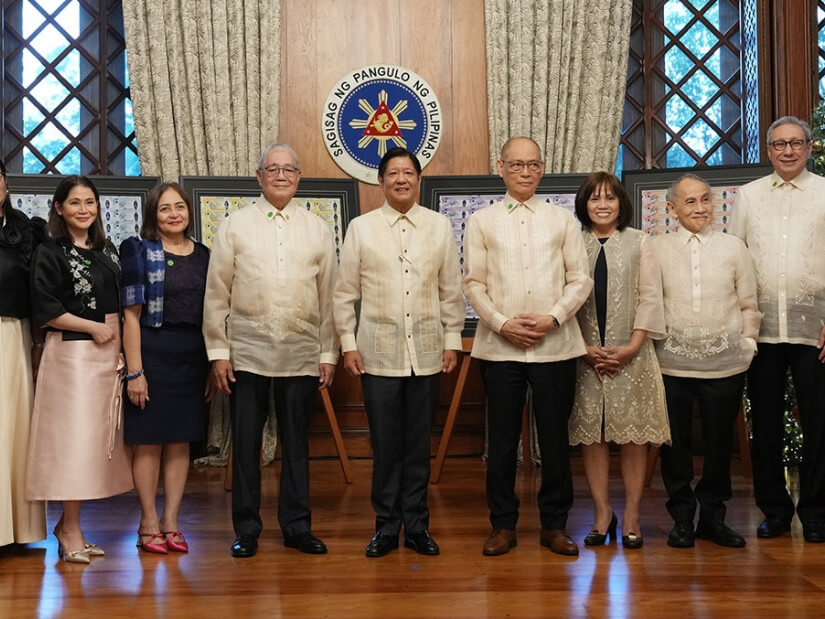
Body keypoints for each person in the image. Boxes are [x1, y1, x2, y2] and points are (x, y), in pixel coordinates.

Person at [204, 142, 338, 558]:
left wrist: (328, 353)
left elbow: (329, 296)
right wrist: (218, 352)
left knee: (297, 446)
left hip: (301, 353)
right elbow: (216, 295)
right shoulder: (234, 225)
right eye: (272, 169)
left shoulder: (318, 228)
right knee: (245, 445)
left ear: (299, 177)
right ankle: (246, 529)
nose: (281, 176)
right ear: (259, 176)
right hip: (247, 353)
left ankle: (297, 527)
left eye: (289, 170)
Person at [463, 137, 592, 557]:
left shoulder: (563, 221)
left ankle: (554, 525)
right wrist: (502, 324)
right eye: (516, 164)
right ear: (499, 166)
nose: (524, 172)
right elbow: (474, 284)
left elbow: (580, 280)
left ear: (542, 168)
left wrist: (552, 317)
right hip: (500, 350)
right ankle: (502, 525)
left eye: (532, 165)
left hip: (556, 346)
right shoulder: (482, 221)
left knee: (555, 440)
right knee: (501, 441)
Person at [334, 147, 464, 558]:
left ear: (419, 180)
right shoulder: (361, 227)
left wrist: (452, 340)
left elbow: (451, 290)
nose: (401, 180)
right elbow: (343, 295)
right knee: (386, 444)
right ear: (381, 181)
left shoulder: (439, 227)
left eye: (409, 173)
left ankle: (418, 526)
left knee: (417, 443)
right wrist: (349, 344)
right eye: (393, 174)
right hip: (377, 352)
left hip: (427, 350)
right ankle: (387, 527)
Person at [26, 176, 133, 563]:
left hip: (108, 355)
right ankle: (68, 526)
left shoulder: (108, 250)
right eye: (74, 203)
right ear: (59, 208)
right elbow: (47, 309)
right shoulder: (49, 252)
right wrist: (93, 327)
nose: (84, 209)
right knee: (71, 445)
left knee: (92, 445)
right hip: (72, 357)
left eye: (90, 202)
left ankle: (71, 525)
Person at [651, 174, 760, 549]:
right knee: (675, 445)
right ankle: (682, 519)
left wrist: (747, 346)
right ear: (672, 209)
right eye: (690, 202)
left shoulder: (734, 247)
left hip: (726, 364)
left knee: (718, 446)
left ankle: (713, 518)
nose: (700, 208)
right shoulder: (656, 249)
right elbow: (648, 304)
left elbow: (749, 303)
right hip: (670, 364)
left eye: (705, 200)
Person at [730, 116, 825, 543]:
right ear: (768, 151)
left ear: (810, 147)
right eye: (779, 145)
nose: (788, 151)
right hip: (761, 330)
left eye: (796, 143)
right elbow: (734, 258)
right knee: (764, 423)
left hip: (816, 330)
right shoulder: (748, 197)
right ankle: (775, 511)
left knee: (820, 424)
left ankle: (818, 512)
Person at [568, 172, 670, 550]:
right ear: (584, 204)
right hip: (584, 355)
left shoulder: (640, 241)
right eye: (594, 198)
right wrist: (583, 348)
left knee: (633, 438)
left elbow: (650, 297)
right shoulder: (574, 243)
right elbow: (565, 298)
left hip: (634, 355)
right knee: (591, 437)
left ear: (621, 203)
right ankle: (601, 513)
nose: (602, 205)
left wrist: (632, 346)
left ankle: (631, 515)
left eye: (610, 198)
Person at [120, 182, 210, 554]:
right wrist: (135, 372)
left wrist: (210, 366)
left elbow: (214, 313)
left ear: (189, 212)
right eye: (165, 209)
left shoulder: (205, 254)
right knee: (149, 441)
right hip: (151, 350)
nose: (174, 214)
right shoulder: (138, 250)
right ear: (152, 215)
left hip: (192, 354)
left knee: (180, 441)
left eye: (180, 207)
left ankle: (172, 521)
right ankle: (148, 521)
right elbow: (130, 314)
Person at [0, 160, 47, 547]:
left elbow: (40, 290)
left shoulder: (26, 229)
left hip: (12, 335)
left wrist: (38, 343)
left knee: (12, 429)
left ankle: (15, 530)